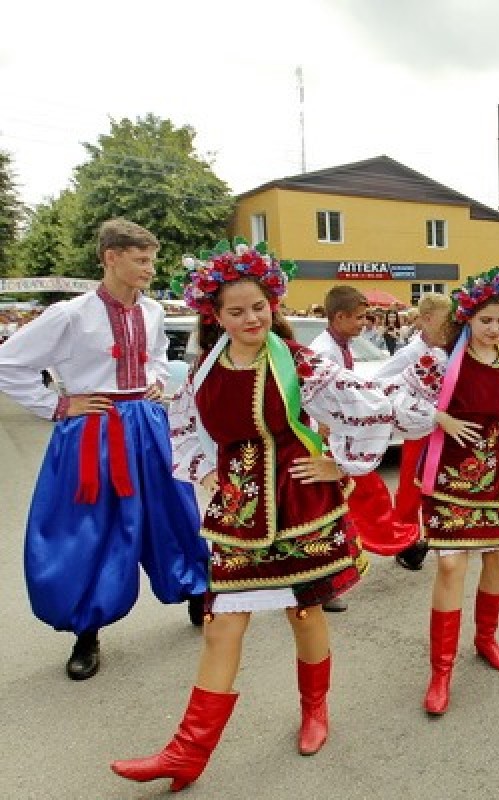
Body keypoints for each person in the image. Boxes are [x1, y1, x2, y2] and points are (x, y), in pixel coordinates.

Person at [111, 240, 393, 790]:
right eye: (236, 312)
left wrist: (341, 465)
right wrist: (207, 472)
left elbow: (371, 402)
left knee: (305, 613)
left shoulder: (299, 361)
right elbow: (186, 423)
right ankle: (186, 753)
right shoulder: (204, 369)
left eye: (258, 308)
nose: (250, 319)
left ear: (274, 306)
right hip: (239, 513)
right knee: (221, 623)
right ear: (215, 317)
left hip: (299, 506)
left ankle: (315, 712)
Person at [0, 218, 207, 681]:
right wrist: (56, 404)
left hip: (148, 423)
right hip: (94, 429)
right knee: (91, 526)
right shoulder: (70, 314)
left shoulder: (153, 312)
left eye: (151, 259)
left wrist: (155, 380)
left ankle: (196, 593)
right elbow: (8, 363)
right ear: (111, 257)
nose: (149, 268)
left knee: (173, 510)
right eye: (140, 259)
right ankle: (86, 632)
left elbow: (155, 356)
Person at [383, 268, 499, 715]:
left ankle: (486, 638)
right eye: (486, 320)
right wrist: (439, 418)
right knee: (450, 565)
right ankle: (441, 670)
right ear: (468, 319)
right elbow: (391, 393)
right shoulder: (444, 359)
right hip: (451, 478)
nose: (494, 329)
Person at [307, 285, 386, 613]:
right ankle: (324, 585)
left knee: (341, 510)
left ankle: (330, 581)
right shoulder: (323, 352)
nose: (364, 323)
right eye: (359, 318)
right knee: (327, 513)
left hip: (337, 436)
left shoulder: (340, 346)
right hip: (323, 441)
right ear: (338, 317)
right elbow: (313, 398)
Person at [372, 292, 453, 571]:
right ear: (427, 320)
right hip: (420, 429)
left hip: (445, 427)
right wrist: (414, 407)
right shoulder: (410, 353)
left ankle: (445, 536)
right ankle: (406, 542)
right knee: (411, 486)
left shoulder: (450, 349)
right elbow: (379, 384)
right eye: (445, 321)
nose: (449, 328)